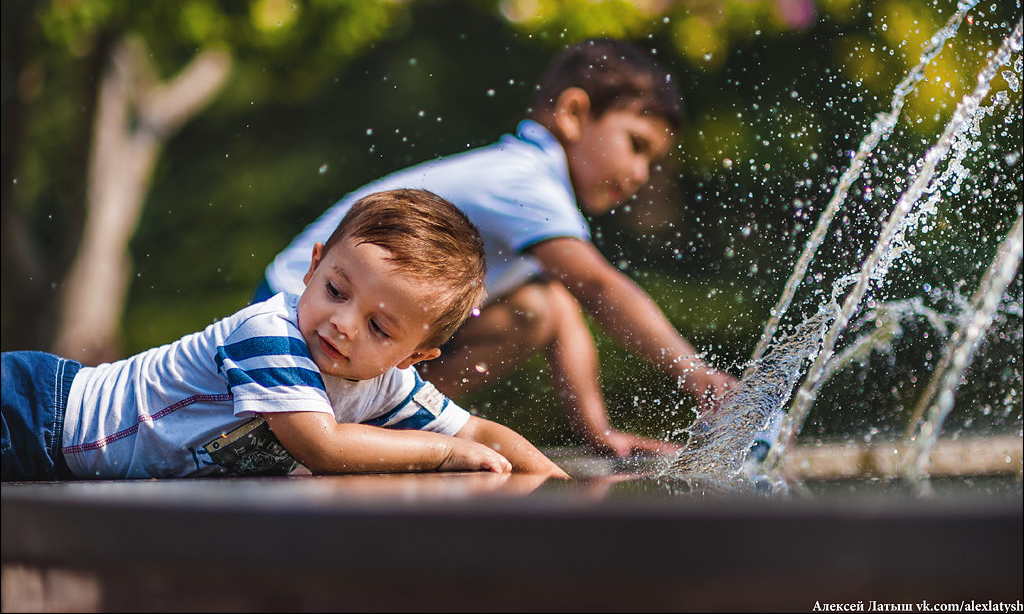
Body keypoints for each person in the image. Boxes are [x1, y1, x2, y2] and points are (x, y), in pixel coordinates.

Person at [256, 39, 742, 459]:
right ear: (574, 114)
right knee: (538, 308)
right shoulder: (522, 181)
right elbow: (597, 285)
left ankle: (378, 420)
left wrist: (600, 434)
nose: (639, 174)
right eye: (636, 144)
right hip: (292, 319)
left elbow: (564, 310)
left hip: (328, 318)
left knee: (540, 307)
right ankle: (377, 426)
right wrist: (695, 373)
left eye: (651, 160)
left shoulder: (526, 184)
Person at [2, 189, 568, 482]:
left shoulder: (391, 386)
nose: (343, 323)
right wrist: (446, 453)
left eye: (378, 326)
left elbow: (480, 430)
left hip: (57, 453)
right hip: (37, 412)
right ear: (314, 267)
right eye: (337, 291)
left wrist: (550, 481)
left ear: (415, 355)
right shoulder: (271, 333)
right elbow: (320, 446)